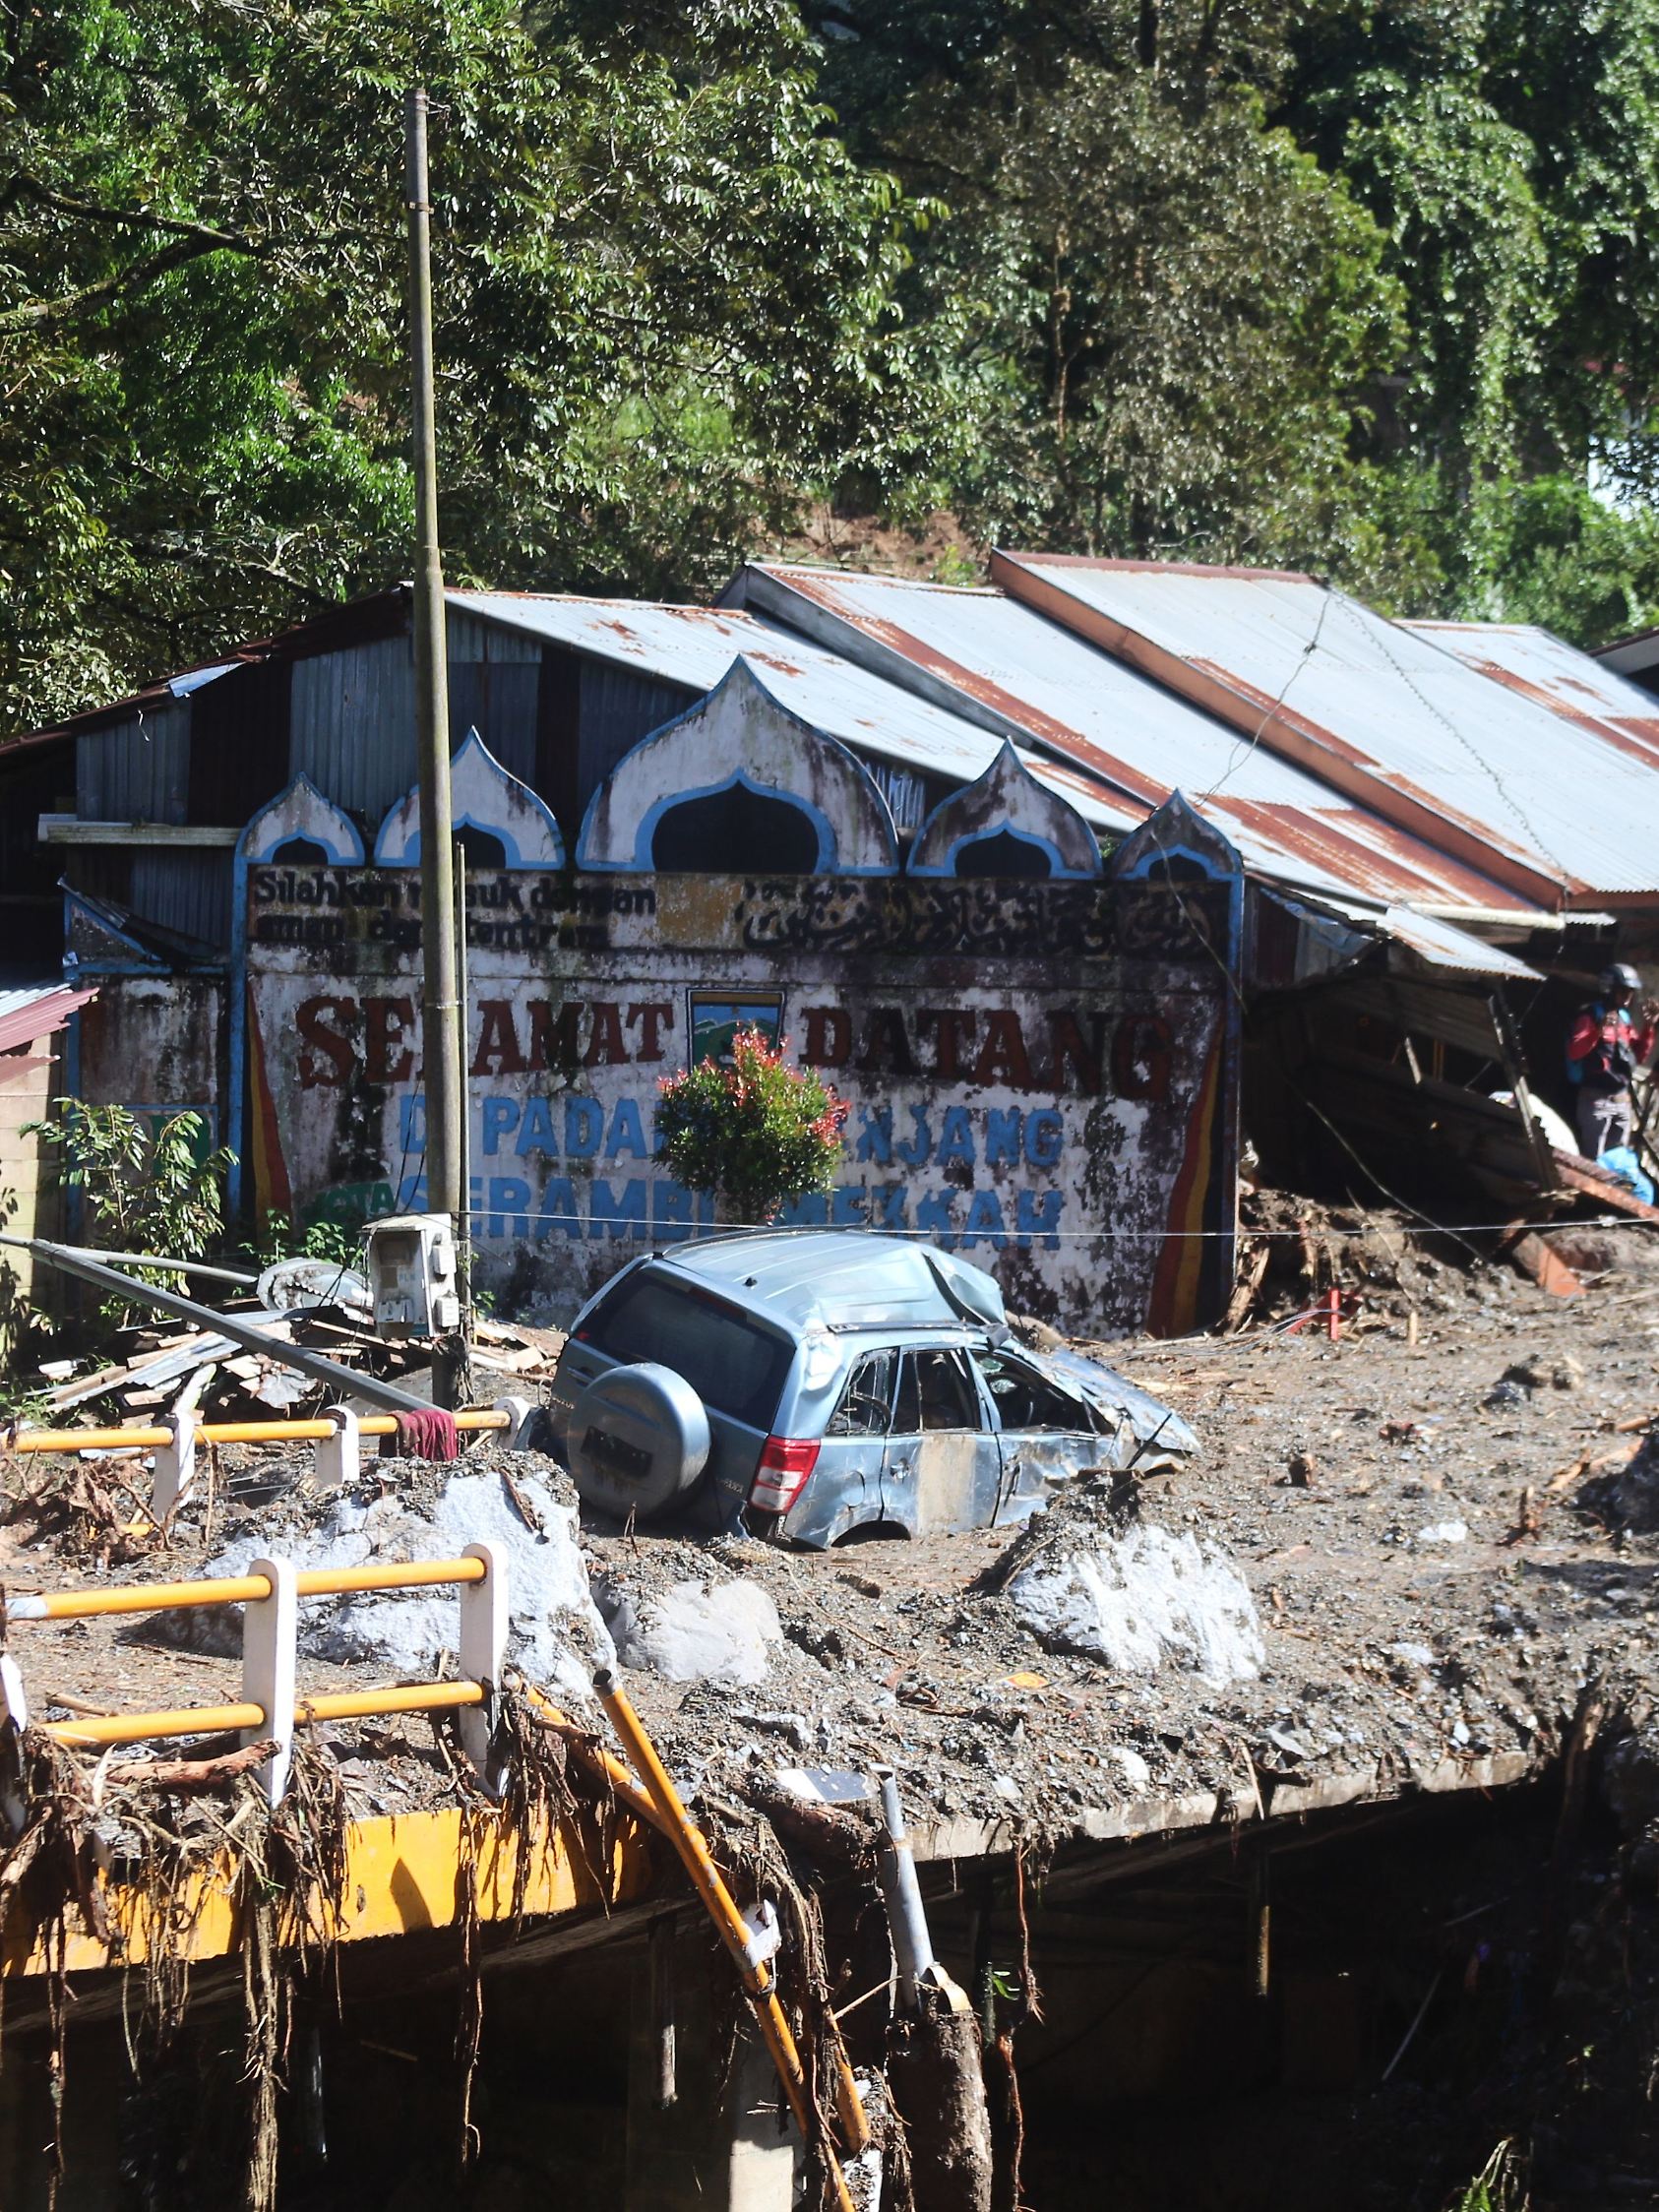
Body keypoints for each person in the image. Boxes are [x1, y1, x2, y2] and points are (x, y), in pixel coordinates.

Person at [1567, 963, 1658, 1160]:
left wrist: (1649, 1028)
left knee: (1617, 1161)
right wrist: (1596, 1032)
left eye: (1630, 992)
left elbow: (1636, 1058)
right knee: (1595, 1164)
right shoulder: (1590, 1015)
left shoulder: (1624, 1018)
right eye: (1623, 991)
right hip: (1596, 1100)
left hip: (1621, 1100)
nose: (1627, 997)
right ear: (1609, 989)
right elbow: (1575, 1052)